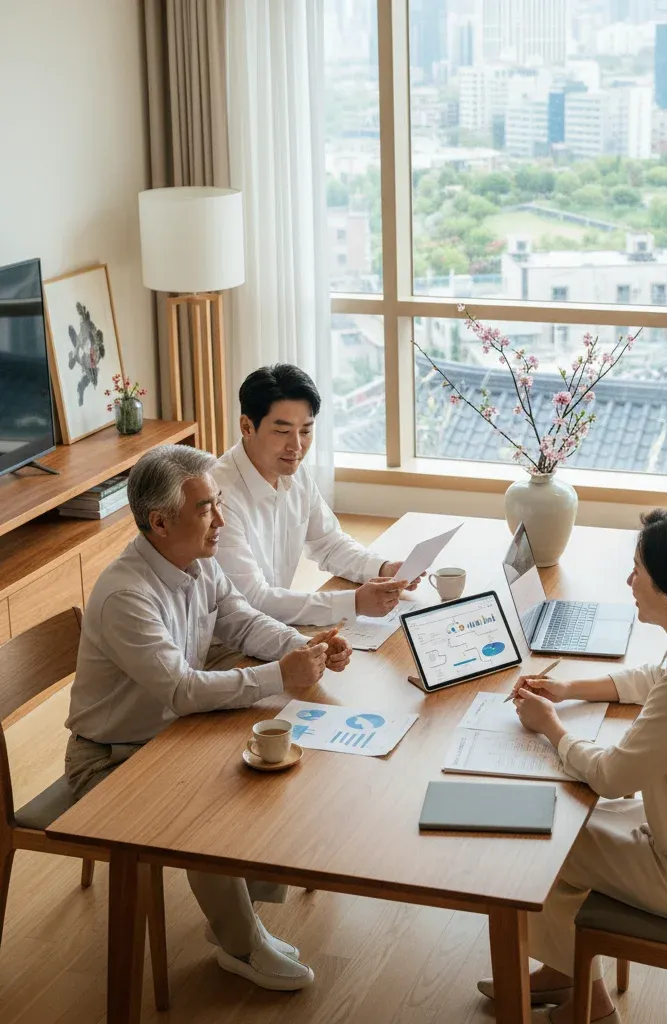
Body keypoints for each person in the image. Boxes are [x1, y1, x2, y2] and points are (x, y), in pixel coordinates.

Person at [65, 444, 353, 991]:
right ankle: (238, 942)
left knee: (276, 759)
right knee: (208, 811)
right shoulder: (126, 595)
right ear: (160, 521)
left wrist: (303, 648)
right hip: (109, 760)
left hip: (168, 736)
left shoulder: (196, 561)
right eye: (206, 508)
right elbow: (183, 690)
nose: (221, 519)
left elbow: (242, 623)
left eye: (219, 503)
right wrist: (280, 675)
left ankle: (247, 913)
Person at [477, 508, 667, 1024]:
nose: (629, 579)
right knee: (566, 823)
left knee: (544, 840)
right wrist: (571, 689)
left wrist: (552, 726)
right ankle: (565, 969)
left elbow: (614, 778)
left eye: (637, 569)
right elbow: (656, 679)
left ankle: (591, 1003)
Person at [211, 364, 420, 629]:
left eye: (306, 430)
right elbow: (253, 600)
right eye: (282, 431)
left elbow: (328, 543)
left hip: (273, 627)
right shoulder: (218, 497)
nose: (296, 446)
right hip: (228, 642)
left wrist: (383, 568)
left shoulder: (292, 472)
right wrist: (353, 603)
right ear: (246, 426)